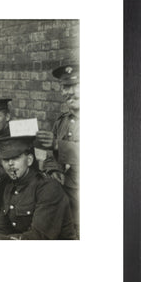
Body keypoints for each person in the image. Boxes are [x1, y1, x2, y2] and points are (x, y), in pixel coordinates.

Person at [0, 136, 76, 240]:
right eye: (5, 160)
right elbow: (1, 228)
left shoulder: (48, 188)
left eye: (15, 158)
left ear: (29, 160)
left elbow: (39, 237)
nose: (10, 164)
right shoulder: (10, 186)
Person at [36, 64, 80, 238]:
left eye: (76, 86)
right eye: (65, 87)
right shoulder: (62, 121)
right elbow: (48, 155)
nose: (70, 92)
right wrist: (53, 168)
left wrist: (57, 145)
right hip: (64, 198)